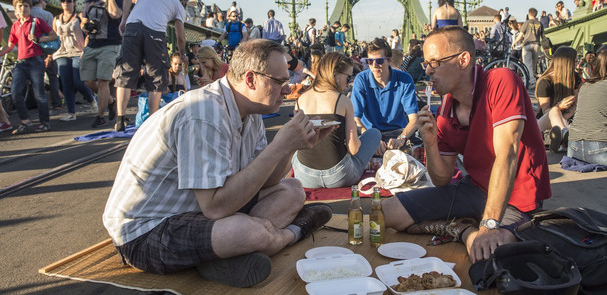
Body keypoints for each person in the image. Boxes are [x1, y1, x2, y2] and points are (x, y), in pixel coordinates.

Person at [102, 40, 334, 288]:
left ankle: (221, 255)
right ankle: (291, 233)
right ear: (250, 79)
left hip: (199, 212)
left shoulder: (250, 111)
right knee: (244, 231)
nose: (287, 90)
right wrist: (278, 145)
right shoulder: (204, 113)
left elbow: (267, 181)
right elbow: (215, 208)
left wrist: (290, 146)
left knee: (292, 190)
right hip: (147, 232)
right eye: (279, 81)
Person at [381, 26, 551, 263]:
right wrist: (430, 144)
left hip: (516, 196)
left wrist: (489, 224)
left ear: (463, 59)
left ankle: (473, 228)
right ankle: (462, 230)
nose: (428, 71)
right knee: (387, 213)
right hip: (474, 189)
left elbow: (508, 154)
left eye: (435, 63)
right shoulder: (445, 109)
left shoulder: (500, 81)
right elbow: (441, 179)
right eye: (425, 64)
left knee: (494, 251)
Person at [291, 52, 382, 188]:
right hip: (338, 177)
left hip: (304, 177)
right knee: (374, 134)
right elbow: (354, 149)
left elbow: (296, 141)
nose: (349, 83)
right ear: (335, 74)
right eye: (348, 77)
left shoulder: (300, 100)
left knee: (296, 155)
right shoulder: (342, 100)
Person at [113, 0, 187, 131]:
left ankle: (120, 121)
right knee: (156, 77)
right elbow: (180, 37)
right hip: (155, 33)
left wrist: (124, 21)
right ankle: (152, 122)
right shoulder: (178, 5)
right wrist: (182, 54)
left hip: (132, 27)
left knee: (125, 73)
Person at [0, 0, 58, 134]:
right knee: (15, 92)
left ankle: (45, 123)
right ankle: (25, 121)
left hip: (36, 61)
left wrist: (38, 39)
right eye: (20, 6)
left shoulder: (36, 22)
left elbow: (53, 35)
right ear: (15, 8)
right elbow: (9, 45)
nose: (23, 9)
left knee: (39, 94)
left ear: (30, 7)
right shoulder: (15, 26)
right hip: (21, 62)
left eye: (26, 6)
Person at [351, 38, 419, 154]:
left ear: (390, 60)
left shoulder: (405, 79)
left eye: (380, 61)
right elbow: (355, 119)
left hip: (398, 132)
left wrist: (402, 138)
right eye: (370, 61)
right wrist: (371, 139)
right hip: (368, 131)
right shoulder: (361, 79)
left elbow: (414, 118)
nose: (374, 66)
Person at [81, 0, 122, 128]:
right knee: (88, 81)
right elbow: (83, 23)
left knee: (103, 80)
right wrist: (87, 27)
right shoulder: (89, 3)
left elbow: (115, 15)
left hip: (109, 44)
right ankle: (111, 102)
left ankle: (100, 115)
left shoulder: (116, 1)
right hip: (92, 44)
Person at [53, 0, 97, 121]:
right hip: (61, 52)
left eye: (68, 1)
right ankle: (71, 113)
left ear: (74, 3)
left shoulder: (79, 17)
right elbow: (54, 36)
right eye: (63, 1)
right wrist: (50, 55)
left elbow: (88, 32)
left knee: (78, 81)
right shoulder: (56, 19)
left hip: (78, 51)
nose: (66, 3)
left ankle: (91, 99)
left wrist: (86, 49)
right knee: (66, 83)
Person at [534, 46, 581, 153]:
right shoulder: (545, 82)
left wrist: (563, 118)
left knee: (558, 115)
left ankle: (562, 136)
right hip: (544, 123)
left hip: (566, 119)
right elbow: (546, 111)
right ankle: (565, 136)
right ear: (567, 63)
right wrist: (560, 107)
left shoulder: (575, 78)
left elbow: (576, 105)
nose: (577, 65)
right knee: (554, 110)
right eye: (575, 61)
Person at [31, 0, 63, 112]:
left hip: (33, 50)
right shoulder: (47, 15)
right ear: (40, 1)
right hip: (45, 48)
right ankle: (57, 103)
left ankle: (38, 104)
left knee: (35, 79)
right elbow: (51, 33)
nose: (45, 3)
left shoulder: (28, 14)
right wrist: (50, 54)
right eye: (45, 1)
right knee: (52, 77)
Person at [512, 8, 543, 87]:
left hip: (527, 44)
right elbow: (543, 36)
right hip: (537, 44)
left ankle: (531, 82)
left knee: (527, 63)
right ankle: (532, 79)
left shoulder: (527, 23)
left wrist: (514, 42)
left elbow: (521, 35)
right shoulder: (539, 23)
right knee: (533, 63)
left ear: (529, 14)